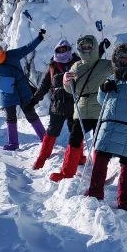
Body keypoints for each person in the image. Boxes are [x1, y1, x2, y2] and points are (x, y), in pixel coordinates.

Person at [84, 41, 127, 210]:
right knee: (100, 156)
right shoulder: (113, 78)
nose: (125, 62)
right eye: (122, 59)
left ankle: (124, 200)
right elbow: (102, 101)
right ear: (116, 60)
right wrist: (103, 89)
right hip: (110, 124)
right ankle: (95, 193)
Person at [51, 33, 112, 182]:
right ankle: (66, 173)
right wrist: (66, 81)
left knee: (99, 144)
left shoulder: (106, 64)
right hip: (81, 110)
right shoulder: (76, 66)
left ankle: (99, 175)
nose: (85, 49)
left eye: (88, 46)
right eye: (83, 47)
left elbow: (123, 69)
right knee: (74, 140)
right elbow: (70, 89)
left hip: (100, 109)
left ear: (94, 47)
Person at [29, 39, 80, 171]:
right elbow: (45, 85)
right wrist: (34, 100)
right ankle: (43, 156)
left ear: (69, 49)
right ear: (56, 51)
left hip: (75, 105)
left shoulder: (78, 63)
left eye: (65, 49)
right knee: (51, 132)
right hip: (57, 106)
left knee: (75, 133)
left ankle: (79, 157)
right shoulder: (53, 66)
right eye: (60, 50)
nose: (63, 52)